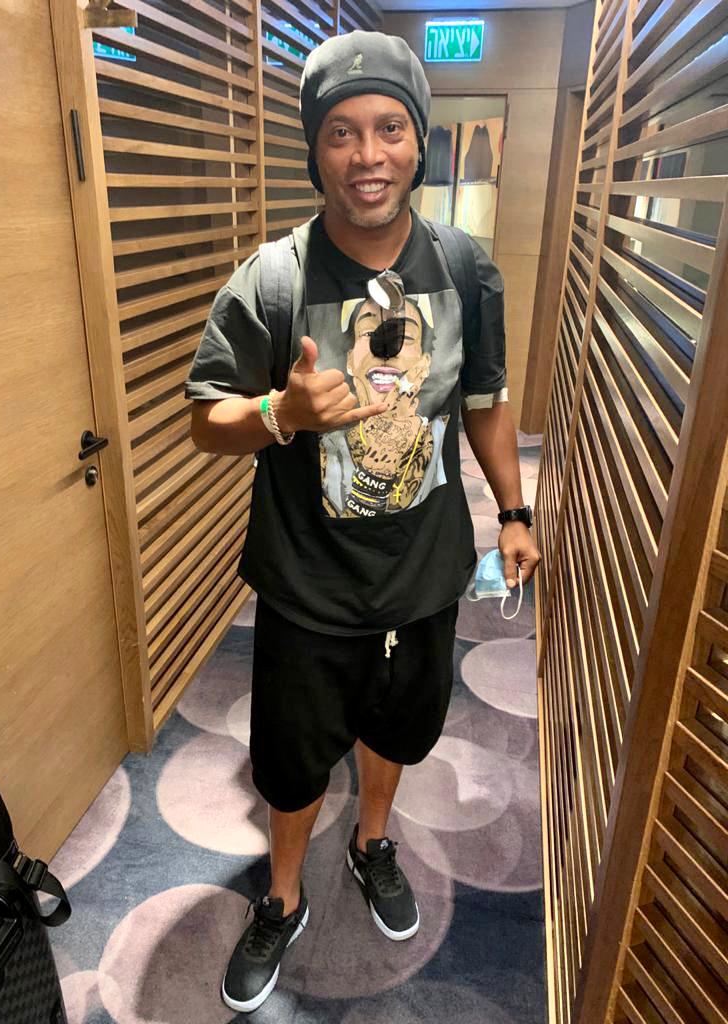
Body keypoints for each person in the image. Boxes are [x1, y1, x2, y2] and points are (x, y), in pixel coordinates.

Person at [185, 29, 541, 1014]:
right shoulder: (273, 279)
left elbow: (484, 401)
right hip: (308, 580)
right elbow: (205, 419)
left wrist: (514, 510)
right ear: (316, 148)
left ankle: (372, 843)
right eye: (341, 132)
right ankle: (283, 896)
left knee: (398, 726)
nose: (367, 154)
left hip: (423, 572)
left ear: (420, 141)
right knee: (292, 758)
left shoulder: (465, 268)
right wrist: (281, 412)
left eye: (389, 128)